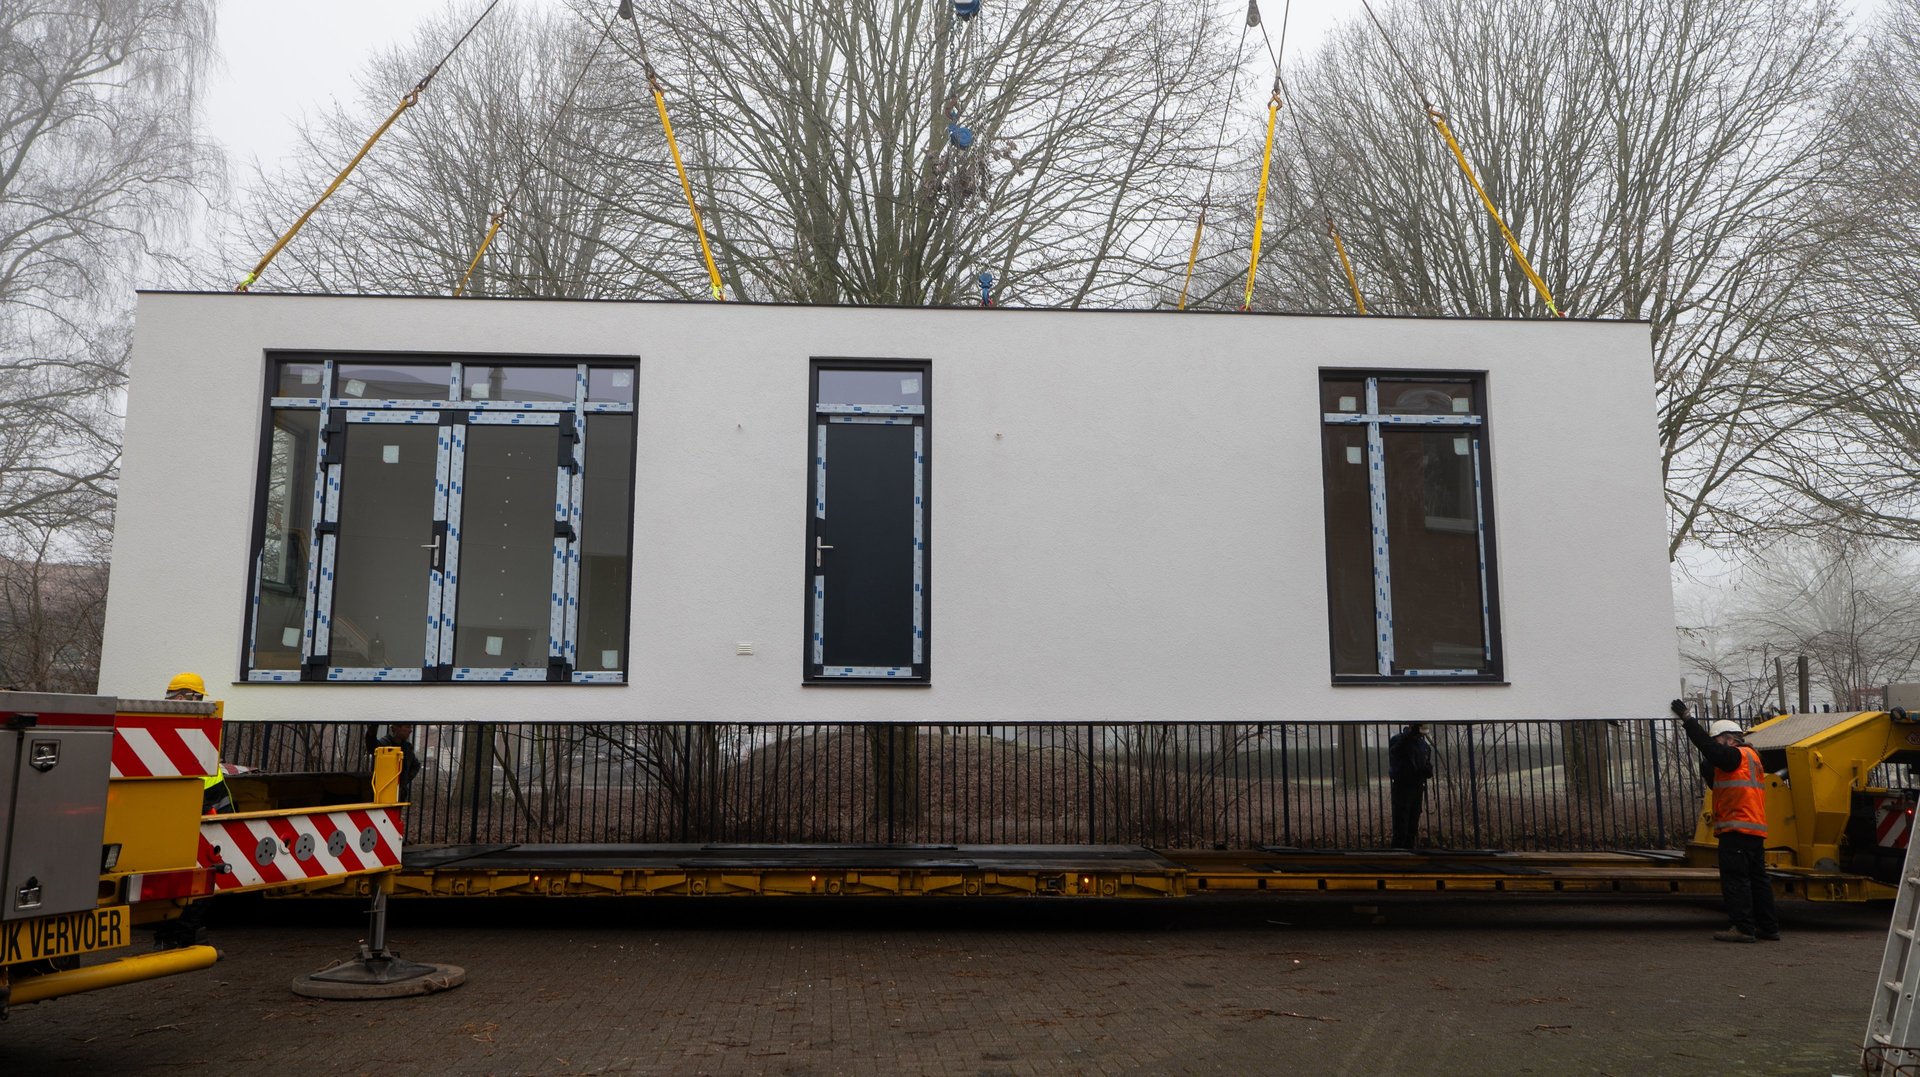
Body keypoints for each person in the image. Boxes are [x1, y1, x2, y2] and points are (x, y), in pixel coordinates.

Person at [1671, 699, 1780, 943]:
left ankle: (1743, 928)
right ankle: (1768, 927)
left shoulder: (1735, 756)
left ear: (1730, 739)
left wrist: (1688, 720)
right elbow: (1715, 773)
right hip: (1754, 829)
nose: (1716, 745)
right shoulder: (1751, 757)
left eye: (1718, 740)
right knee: (1758, 880)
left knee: (1736, 880)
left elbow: (1711, 750)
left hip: (1736, 827)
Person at [166, 671, 231, 814]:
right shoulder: (170, 729)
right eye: (197, 696)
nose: (200, 701)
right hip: (203, 808)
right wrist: (206, 808)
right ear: (180, 698)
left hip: (213, 805)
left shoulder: (195, 724)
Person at [1388, 723, 1433, 849]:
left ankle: (1408, 855)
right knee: (1401, 828)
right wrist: (1407, 738)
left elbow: (1426, 762)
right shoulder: (1398, 740)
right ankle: (1397, 857)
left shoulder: (1423, 745)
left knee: (1412, 827)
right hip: (1402, 787)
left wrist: (1427, 770)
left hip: (1417, 787)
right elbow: (1395, 753)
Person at [367, 722, 422, 803]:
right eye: (407, 727)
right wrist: (373, 729)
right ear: (397, 728)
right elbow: (372, 747)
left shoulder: (407, 747)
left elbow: (416, 765)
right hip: (381, 792)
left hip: (399, 794)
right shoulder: (384, 743)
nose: (411, 730)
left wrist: (403, 781)